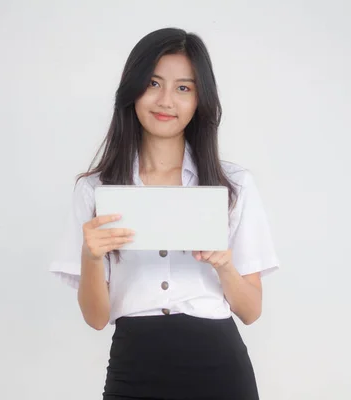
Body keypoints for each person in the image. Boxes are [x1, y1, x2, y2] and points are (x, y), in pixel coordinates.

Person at [50, 27, 280, 400]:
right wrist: (91, 256)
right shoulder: (94, 190)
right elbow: (95, 318)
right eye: (153, 83)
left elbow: (251, 311)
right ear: (133, 89)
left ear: (199, 100)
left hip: (219, 368)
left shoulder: (234, 186)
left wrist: (223, 265)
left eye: (183, 88)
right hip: (134, 366)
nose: (166, 101)